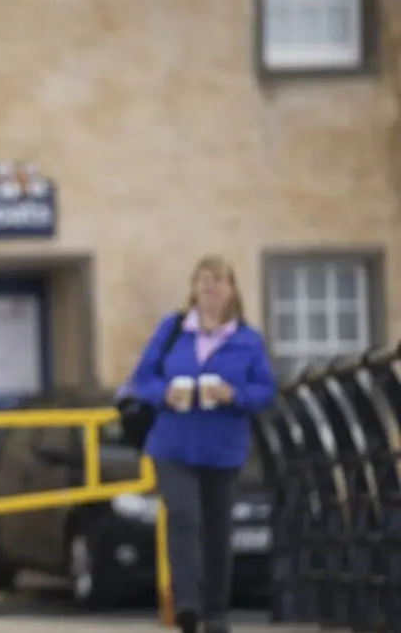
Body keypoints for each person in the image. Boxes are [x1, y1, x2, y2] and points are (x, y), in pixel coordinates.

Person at [129, 254, 277, 633]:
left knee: (217, 532)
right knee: (183, 517)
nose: (209, 288)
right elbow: (141, 379)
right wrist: (165, 393)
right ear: (193, 289)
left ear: (231, 290)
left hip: (223, 450)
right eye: (203, 282)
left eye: (217, 281)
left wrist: (234, 395)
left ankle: (216, 613)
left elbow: (265, 391)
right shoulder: (173, 329)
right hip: (172, 446)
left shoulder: (248, 340)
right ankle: (188, 605)